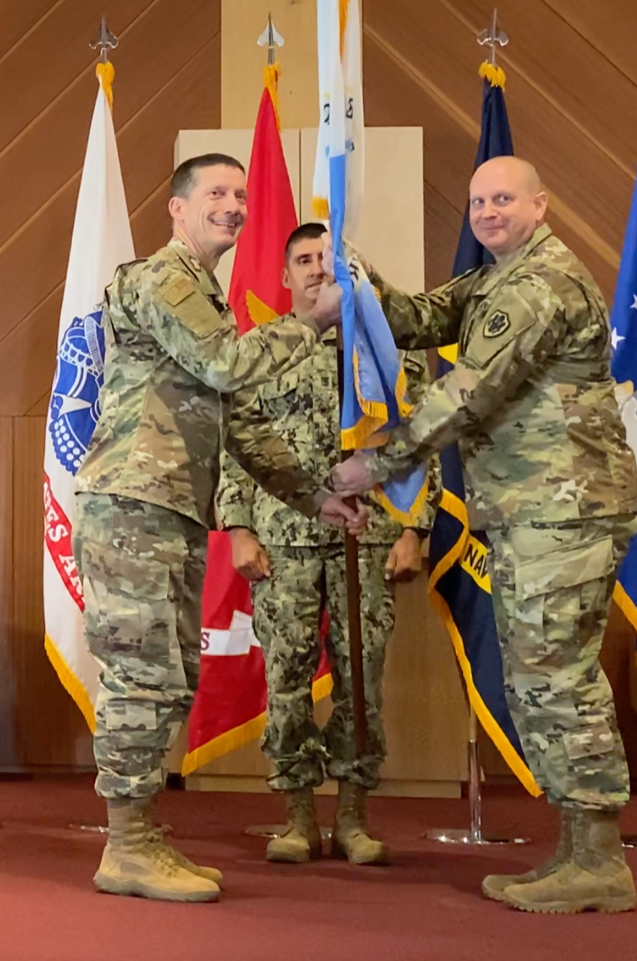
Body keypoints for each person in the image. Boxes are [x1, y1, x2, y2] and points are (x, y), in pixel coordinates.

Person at [328, 156, 637, 914]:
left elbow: (468, 392)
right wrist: (356, 273)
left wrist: (380, 462)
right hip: (535, 509)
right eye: (477, 200)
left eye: (503, 198)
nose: (487, 211)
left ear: (542, 204)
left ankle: (599, 855)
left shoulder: (541, 283)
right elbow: (420, 317)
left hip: (564, 507)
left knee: (555, 677)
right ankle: (577, 847)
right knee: (539, 676)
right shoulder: (494, 278)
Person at [74, 154, 366, 903]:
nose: (234, 205)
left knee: (170, 675)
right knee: (143, 678)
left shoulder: (206, 295)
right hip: (135, 505)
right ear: (177, 206)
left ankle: (138, 834)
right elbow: (229, 365)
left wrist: (314, 494)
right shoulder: (162, 278)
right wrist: (308, 324)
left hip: (165, 509)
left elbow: (237, 422)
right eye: (217, 192)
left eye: (241, 194)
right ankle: (127, 844)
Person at [216, 223, 438, 866]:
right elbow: (236, 446)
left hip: (364, 540)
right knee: (284, 680)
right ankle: (295, 819)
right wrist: (238, 528)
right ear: (285, 276)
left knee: (362, 681)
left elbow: (420, 441)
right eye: (304, 260)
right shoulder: (259, 350)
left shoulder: (382, 351)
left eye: (328, 260)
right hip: (280, 541)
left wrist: (415, 530)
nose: (317, 270)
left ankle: (352, 816)